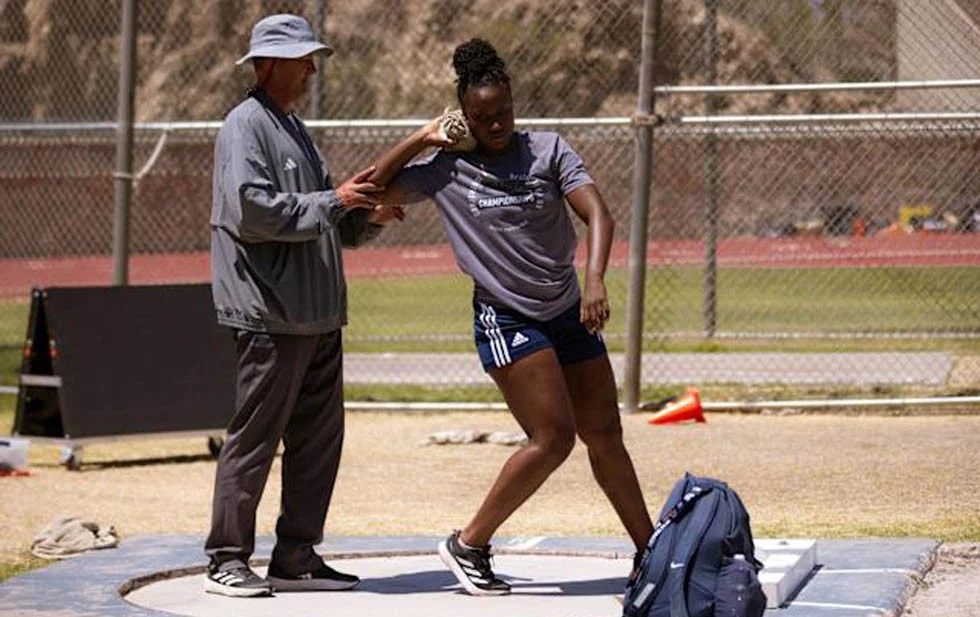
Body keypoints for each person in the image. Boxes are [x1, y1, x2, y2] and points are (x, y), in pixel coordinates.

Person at [368, 38, 655, 596]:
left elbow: (598, 213)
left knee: (605, 432)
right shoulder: (445, 169)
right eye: (481, 117)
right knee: (552, 437)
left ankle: (649, 550)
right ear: (463, 117)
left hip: (568, 310)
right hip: (508, 318)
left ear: (514, 104)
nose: (495, 124)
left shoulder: (546, 150)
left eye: (502, 112)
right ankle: (468, 543)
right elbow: (371, 187)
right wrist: (425, 137)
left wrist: (594, 279)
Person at [204, 13, 401, 598]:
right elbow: (254, 211)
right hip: (270, 315)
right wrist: (334, 199)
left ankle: (296, 557)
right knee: (255, 438)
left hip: (317, 314)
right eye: (301, 58)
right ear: (267, 64)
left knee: (318, 441)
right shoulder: (245, 126)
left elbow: (328, 218)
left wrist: (368, 215)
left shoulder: (295, 127)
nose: (313, 68)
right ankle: (226, 558)